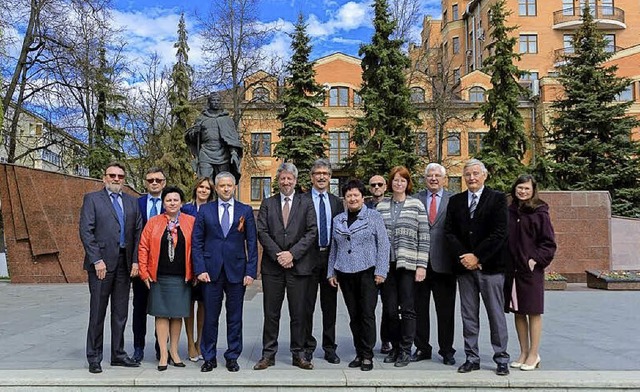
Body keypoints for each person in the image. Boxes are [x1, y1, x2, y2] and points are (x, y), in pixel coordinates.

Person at [444, 158, 510, 376]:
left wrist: (478, 256)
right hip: (465, 269)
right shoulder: (456, 201)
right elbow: (450, 233)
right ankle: (472, 357)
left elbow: (500, 233)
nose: (471, 178)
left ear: (484, 175)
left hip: (490, 267)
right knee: (469, 315)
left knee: (495, 314)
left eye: (475, 174)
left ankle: (501, 357)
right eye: (468, 174)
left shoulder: (498, 199)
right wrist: (465, 257)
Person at [79, 162, 142, 374]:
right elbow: (86, 232)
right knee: (98, 312)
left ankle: (118, 354)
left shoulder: (132, 203)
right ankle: (94, 357)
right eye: (112, 175)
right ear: (104, 177)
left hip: (125, 264)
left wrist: (135, 261)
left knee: (120, 313)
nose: (116, 179)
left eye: (120, 176)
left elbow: (138, 234)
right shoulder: (92, 199)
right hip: (101, 265)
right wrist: (96, 260)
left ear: (124, 179)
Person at [192, 172, 258, 373]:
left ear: (235, 187)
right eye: (222, 186)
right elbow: (197, 242)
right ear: (217, 188)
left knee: (235, 316)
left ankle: (232, 356)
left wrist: (250, 271)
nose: (226, 189)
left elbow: (252, 243)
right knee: (210, 316)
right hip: (211, 272)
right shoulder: (205, 210)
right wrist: (200, 268)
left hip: (236, 271)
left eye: (229, 185)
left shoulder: (245, 211)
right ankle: (209, 357)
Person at [254, 162, 318, 370]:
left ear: (296, 180)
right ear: (278, 180)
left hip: (298, 267)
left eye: (290, 178)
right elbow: (262, 231)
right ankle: (268, 354)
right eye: (282, 178)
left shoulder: (306, 203)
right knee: (271, 313)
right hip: (273, 268)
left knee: (298, 313)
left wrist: (292, 254)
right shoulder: (268, 203)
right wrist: (278, 255)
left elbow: (311, 231)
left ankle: (298, 354)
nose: (286, 181)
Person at [327, 179, 390, 371]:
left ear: (363, 197)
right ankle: (358, 351)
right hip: (345, 273)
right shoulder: (338, 219)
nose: (352, 198)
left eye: (356, 195)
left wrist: (381, 270)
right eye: (349, 195)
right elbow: (334, 248)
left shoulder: (373, 217)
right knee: (354, 315)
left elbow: (384, 245)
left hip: (367, 272)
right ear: (344, 198)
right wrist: (331, 271)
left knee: (366, 314)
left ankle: (367, 355)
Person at [137, 186, 195, 371]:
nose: (172, 203)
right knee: (161, 314)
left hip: (181, 277)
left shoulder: (191, 221)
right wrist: (144, 272)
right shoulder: (153, 222)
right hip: (159, 276)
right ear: (163, 203)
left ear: (182, 203)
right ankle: (163, 354)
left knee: (177, 314)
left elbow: (198, 248)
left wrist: (196, 272)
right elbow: (143, 247)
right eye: (168, 200)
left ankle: (174, 352)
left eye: (175, 200)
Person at [376, 166, 429, 367]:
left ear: (408, 183)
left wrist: (421, 266)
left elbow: (424, 237)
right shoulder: (381, 207)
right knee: (389, 309)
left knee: (407, 308)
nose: (399, 184)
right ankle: (396, 347)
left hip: (408, 264)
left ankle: (406, 349)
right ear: (390, 183)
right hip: (386, 265)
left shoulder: (416, 205)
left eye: (403, 181)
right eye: (396, 180)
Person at [506, 174, 557, 371]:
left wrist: (535, 260)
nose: (523, 191)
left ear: (533, 190)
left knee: (533, 312)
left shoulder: (540, 212)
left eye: (527, 188)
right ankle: (523, 352)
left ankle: (534, 354)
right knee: (518, 312)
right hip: (513, 270)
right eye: (520, 188)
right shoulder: (510, 210)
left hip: (531, 271)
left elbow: (548, 243)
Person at [413, 163, 457, 365]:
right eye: (429, 175)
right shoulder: (415, 200)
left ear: (444, 178)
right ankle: (422, 348)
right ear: (425, 178)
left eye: (437, 175)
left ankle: (447, 350)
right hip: (419, 264)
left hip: (445, 265)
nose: (433, 179)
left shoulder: (454, 200)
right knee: (419, 309)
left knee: (446, 311)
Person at [303, 159, 344, 365]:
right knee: (306, 305)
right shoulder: (302, 200)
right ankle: (307, 346)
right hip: (307, 259)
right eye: (318, 173)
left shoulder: (337, 202)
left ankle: (329, 347)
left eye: (325, 174)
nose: (321, 177)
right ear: (311, 177)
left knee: (329, 306)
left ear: (330, 177)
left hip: (330, 259)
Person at [132, 167, 166, 363]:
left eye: (158, 180)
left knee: (163, 310)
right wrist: (136, 261)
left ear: (164, 182)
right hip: (142, 267)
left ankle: (160, 349)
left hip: (164, 268)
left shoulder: (171, 203)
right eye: (150, 179)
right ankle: (138, 348)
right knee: (140, 308)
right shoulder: (136, 204)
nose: (154, 183)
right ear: (145, 182)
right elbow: (132, 235)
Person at [181, 177, 215, 362]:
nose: (204, 190)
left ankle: (200, 341)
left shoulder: (214, 208)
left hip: (207, 263)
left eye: (207, 188)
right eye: (201, 187)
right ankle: (189, 344)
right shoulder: (186, 208)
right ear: (195, 189)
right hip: (187, 262)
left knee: (204, 304)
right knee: (189, 304)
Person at [185, 92, 243, 182]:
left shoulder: (227, 119)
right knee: (204, 181)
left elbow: (233, 138)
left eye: (218, 100)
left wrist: (234, 153)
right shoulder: (201, 118)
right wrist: (195, 133)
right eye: (213, 100)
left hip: (223, 155)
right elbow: (193, 138)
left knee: (223, 182)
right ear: (209, 102)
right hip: (205, 153)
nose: (216, 102)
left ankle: (220, 197)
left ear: (220, 103)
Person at [365, 174, 392, 355]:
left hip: (388, 263)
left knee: (390, 307)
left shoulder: (392, 205)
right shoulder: (363, 206)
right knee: (368, 307)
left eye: (380, 184)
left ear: (385, 186)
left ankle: (386, 339)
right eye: (373, 184)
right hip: (367, 264)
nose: (376, 187)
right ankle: (368, 342)